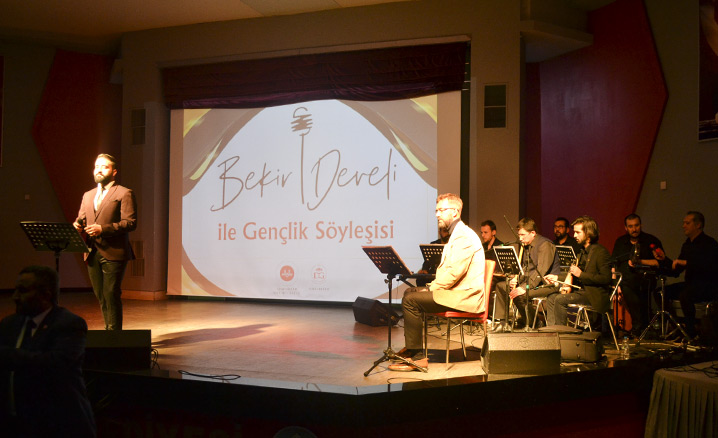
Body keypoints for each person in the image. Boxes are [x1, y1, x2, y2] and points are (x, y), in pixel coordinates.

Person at [389, 193, 485, 371]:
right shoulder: (456, 234)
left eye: (441, 210)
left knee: (411, 300)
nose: (437, 214)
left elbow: (453, 273)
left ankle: (417, 357)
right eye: (436, 210)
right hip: (455, 292)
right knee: (410, 292)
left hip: (465, 297)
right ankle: (412, 349)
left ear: (455, 212)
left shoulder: (463, 236)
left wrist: (431, 289)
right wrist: (429, 288)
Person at [0, 265, 96, 437]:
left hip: (58, 423)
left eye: (23, 291)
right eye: (15, 290)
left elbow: (55, 363)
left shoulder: (69, 324)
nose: (15, 297)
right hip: (16, 422)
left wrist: (5, 354)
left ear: (46, 295)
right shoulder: (9, 324)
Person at [73, 154, 137, 330]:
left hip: (114, 251)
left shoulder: (124, 193)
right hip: (91, 251)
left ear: (114, 171)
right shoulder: (88, 195)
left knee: (111, 293)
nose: (99, 170)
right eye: (97, 167)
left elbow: (130, 223)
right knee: (101, 295)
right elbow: (81, 219)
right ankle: (108, 330)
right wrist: (77, 226)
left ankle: (114, 335)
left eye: (104, 167)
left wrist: (102, 229)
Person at [492, 217, 560, 332]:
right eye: (519, 235)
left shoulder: (545, 245)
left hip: (547, 284)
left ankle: (534, 322)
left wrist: (523, 287)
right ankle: (503, 322)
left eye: (523, 235)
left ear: (533, 233)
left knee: (520, 294)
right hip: (531, 282)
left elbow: (540, 272)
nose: (520, 238)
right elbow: (526, 269)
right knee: (501, 286)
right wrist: (517, 279)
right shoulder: (527, 246)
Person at [659, 211, 718, 338]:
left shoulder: (709, 243)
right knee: (661, 292)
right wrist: (664, 260)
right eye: (684, 223)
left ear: (698, 225)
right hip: (691, 284)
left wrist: (686, 262)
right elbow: (677, 270)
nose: (683, 226)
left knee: (685, 295)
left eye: (687, 223)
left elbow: (710, 266)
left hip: (707, 285)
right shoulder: (687, 244)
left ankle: (690, 331)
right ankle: (677, 327)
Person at [546, 216, 612, 326]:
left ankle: (561, 332)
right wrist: (557, 278)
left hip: (593, 294)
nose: (574, 235)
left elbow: (606, 278)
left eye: (578, 232)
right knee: (552, 297)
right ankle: (552, 330)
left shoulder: (600, 252)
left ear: (588, 234)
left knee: (560, 300)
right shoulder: (581, 251)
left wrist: (581, 274)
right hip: (581, 291)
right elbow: (573, 274)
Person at [611, 214, 665, 335]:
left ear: (641, 225)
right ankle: (638, 327)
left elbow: (660, 261)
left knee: (642, 295)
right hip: (626, 282)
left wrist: (639, 262)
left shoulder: (651, 240)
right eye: (630, 226)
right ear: (626, 228)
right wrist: (615, 284)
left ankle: (642, 328)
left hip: (646, 280)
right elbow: (614, 264)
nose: (634, 229)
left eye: (636, 225)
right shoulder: (620, 242)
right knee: (628, 290)